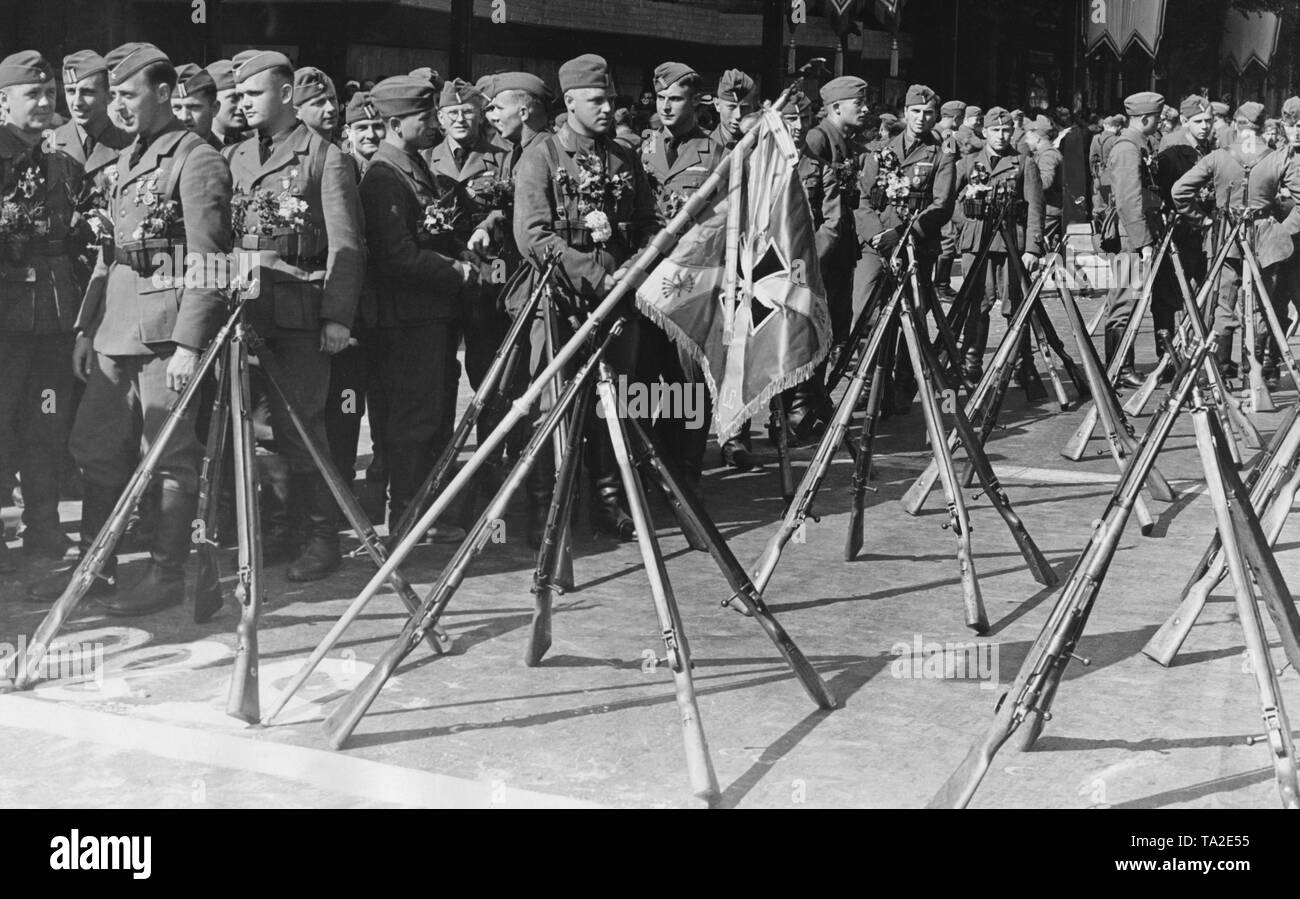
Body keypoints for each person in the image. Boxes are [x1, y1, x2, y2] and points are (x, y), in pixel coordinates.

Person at [29, 43, 233, 613]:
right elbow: (109, 252)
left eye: (126, 94)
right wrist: (85, 328)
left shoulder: (196, 159)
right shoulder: (128, 159)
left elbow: (211, 261)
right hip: (116, 326)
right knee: (94, 446)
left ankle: (168, 575)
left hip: (167, 333)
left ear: (165, 93)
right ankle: (96, 568)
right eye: (112, 95)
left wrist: (190, 344)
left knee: (168, 453)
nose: (116, 106)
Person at [227, 49, 365, 581]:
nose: (244, 104)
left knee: (303, 426)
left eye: (253, 94)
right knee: (263, 428)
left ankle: (321, 537)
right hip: (249, 312)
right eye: (239, 96)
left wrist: (337, 318)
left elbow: (348, 247)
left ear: (285, 95)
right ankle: (284, 528)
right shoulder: (235, 156)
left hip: (303, 313)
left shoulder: (325, 157)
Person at [512, 53, 658, 541]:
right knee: (549, 405)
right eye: (596, 101)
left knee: (613, 401)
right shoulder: (542, 156)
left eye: (610, 100)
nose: (607, 109)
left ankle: (609, 500)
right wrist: (596, 277)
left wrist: (636, 265)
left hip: (616, 303)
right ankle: (544, 508)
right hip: (559, 301)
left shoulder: (624, 156)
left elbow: (647, 222)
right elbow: (533, 236)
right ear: (569, 101)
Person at [357, 75, 480, 539]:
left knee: (431, 420)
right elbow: (396, 255)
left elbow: (430, 234)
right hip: (407, 321)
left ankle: (426, 513)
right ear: (394, 123)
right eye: (424, 117)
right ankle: (406, 520)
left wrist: (459, 251)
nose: (433, 124)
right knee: (412, 424)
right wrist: (456, 271)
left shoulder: (414, 166)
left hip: (430, 319)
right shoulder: (384, 176)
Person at [0, 52, 83, 573]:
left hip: (53, 322)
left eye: (49, 92)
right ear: (3, 100)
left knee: (48, 431)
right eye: (33, 93)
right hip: (4, 326)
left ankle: (45, 532)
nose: (45, 101)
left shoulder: (63, 165)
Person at [638, 61, 733, 476]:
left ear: (697, 102)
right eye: (660, 98)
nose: (666, 107)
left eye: (675, 99)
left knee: (688, 377)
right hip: (643, 278)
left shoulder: (718, 155)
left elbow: (727, 221)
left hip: (691, 283)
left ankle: (687, 463)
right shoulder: (639, 148)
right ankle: (649, 457)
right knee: (642, 372)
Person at [479, 71, 555, 545]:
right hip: (514, 293)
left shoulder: (544, 152)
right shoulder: (517, 154)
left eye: (496, 108)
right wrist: (491, 219)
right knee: (513, 392)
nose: (490, 117)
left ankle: (542, 504)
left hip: (538, 292)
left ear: (523, 110)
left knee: (537, 394)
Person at [424, 78, 511, 475]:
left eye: (468, 112)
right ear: (440, 118)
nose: (460, 119)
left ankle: (490, 458)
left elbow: (514, 206)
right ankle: (437, 459)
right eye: (452, 113)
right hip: (442, 274)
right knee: (439, 370)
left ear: (480, 115)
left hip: (489, 273)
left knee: (487, 368)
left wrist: (491, 223)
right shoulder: (425, 157)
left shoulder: (502, 155)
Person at [1171, 101, 1272, 379]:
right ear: (1262, 127)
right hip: (1264, 241)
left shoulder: (1217, 157)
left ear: (1236, 126)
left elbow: (1179, 191)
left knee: (1223, 304)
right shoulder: (1277, 157)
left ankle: (1223, 369)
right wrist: (1285, 229)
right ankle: (1256, 372)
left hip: (1226, 240)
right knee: (1261, 307)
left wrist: (1201, 220)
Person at [953, 107, 1044, 384]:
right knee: (975, 306)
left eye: (1006, 130)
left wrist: (1032, 248)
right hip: (976, 243)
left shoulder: (1023, 163)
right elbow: (949, 202)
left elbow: (1035, 209)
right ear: (984, 131)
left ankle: (1019, 365)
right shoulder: (967, 163)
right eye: (995, 130)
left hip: (1010, 245)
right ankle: (971, 365)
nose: (1001, 136)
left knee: (1014, 306)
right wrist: (964, 225)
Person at [1102, 91, 1166, 388]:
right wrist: (1144, 241)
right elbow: (1129, 199)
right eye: (1158, 116)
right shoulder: (1128, 148)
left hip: (1137, 231)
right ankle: (1118, 368)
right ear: (1145, 118)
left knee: (1131, 297)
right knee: (1125, 300)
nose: (1160, 120)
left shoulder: (1138, 144)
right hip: (1131, 234)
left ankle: (1120, 365)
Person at [1150, 94, 1214, 381]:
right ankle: (1167, 358)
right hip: (1177, 233)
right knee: (1167, 297)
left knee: (1205, 293)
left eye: (1209, 121)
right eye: (1199, 121)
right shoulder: (1171, 151)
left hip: (1203, 234)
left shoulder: (1210, 148)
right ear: (1186, 121)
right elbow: (1166, 194)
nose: (1205, 126)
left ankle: (1198, 353)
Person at [1248, 96, 1300, 388]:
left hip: (1293, 240)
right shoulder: (1277, 155)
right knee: (1273, 304)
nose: (1297, 131)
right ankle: (1269, 362)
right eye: (1292, 125)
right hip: (1279, 247)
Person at [933, 99, 966, 298]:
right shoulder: (948, 137)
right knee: (948, 238)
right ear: (956, 117)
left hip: (937, 194)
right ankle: (941, 285)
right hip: (945, 194)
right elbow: (950, 167)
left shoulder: (935, 132)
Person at [1024, 115, 1062, 243]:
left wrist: (1024, 184)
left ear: (1037, 138)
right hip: (1047, 209)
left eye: (1028, 138)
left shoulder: (1048, 156)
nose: (1026, 141)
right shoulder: (1043, 154)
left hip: (1049, 212)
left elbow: (1045, 182)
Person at [170, 65, 223, 149]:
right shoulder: (151, 153)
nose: (184, 117)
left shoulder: (226, 158)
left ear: (214, 109)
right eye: (177, 107)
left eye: (193, 107)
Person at [710, 69, 758, 152]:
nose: (738, 115)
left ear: (753, 107)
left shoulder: (762, 149)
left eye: (744, 107)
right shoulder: (700, 146)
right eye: (731, 107)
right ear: (717, 105)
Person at [205, 60, 247, 148]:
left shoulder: (253, 145)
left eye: (243, 97)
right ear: (213, 103)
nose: (242, 106)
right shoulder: (199, 146)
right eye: (233, 98)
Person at [294, 67, 340, 142]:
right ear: (296, 112)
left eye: (332, 99)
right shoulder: (288, 151)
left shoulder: (345, 148)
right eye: (319, 102)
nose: (331, 108)